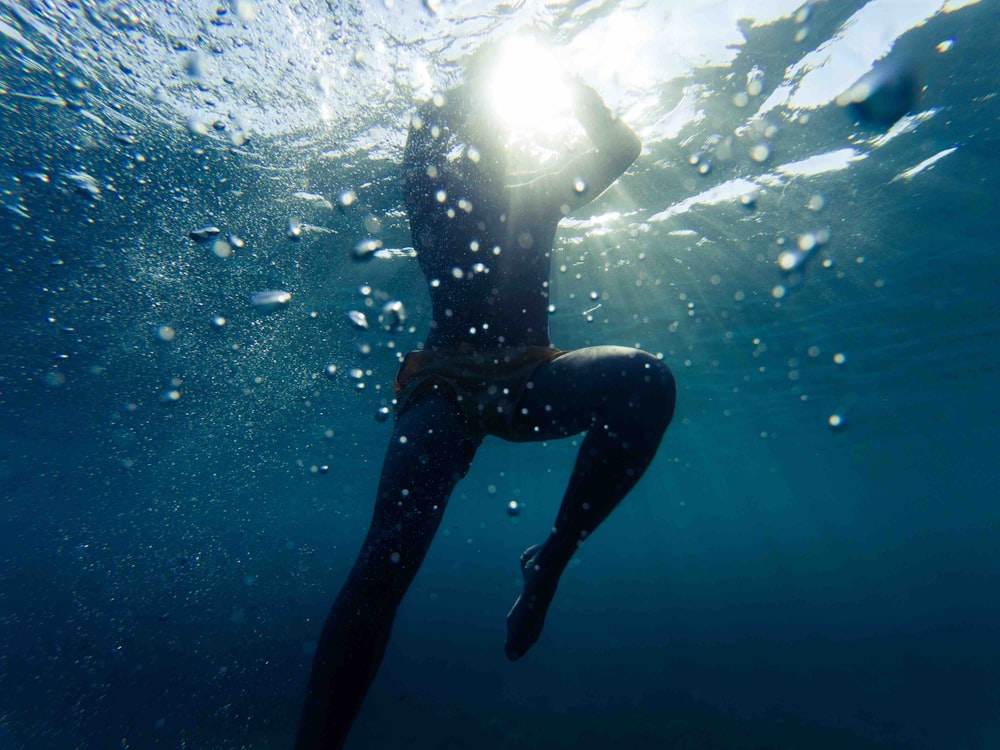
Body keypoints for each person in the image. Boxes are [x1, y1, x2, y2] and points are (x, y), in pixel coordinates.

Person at [295, 40, 676, 750]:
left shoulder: (539, 192)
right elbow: (432, 133)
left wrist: (566, 82)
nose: (476, 145)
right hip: (443, 381)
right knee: (384, 561)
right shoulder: (431, 189)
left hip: (532, 375)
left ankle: (551, 560)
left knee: (647, 380)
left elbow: (623, 144)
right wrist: (468, 84)